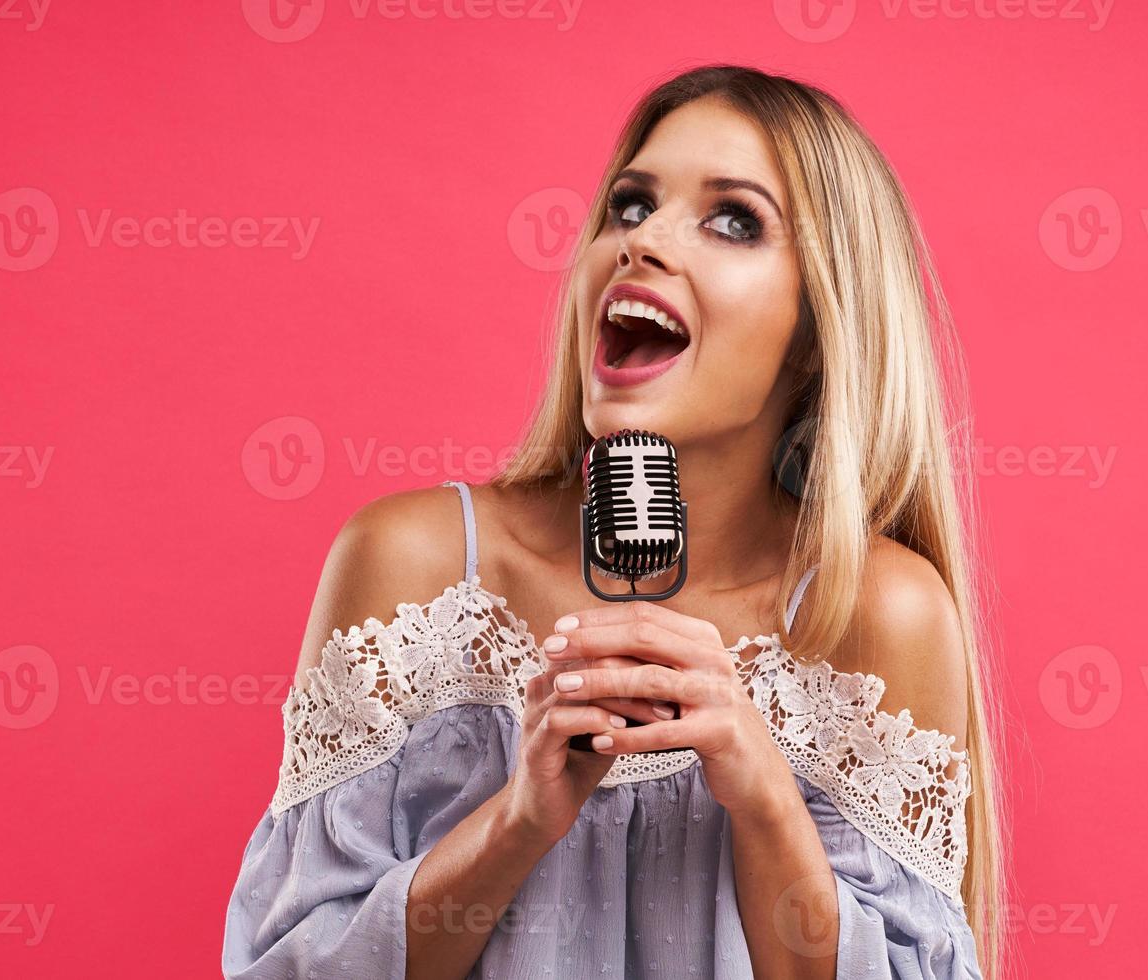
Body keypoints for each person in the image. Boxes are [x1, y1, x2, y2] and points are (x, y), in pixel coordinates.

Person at [223, 63, 1007, 980]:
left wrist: (762, 795)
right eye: (630, 207)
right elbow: (290, 966)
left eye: (732, 221)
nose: (642, 244)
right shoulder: (412, 563)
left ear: (814, 332)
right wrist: (520, 820)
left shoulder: (878, 612)